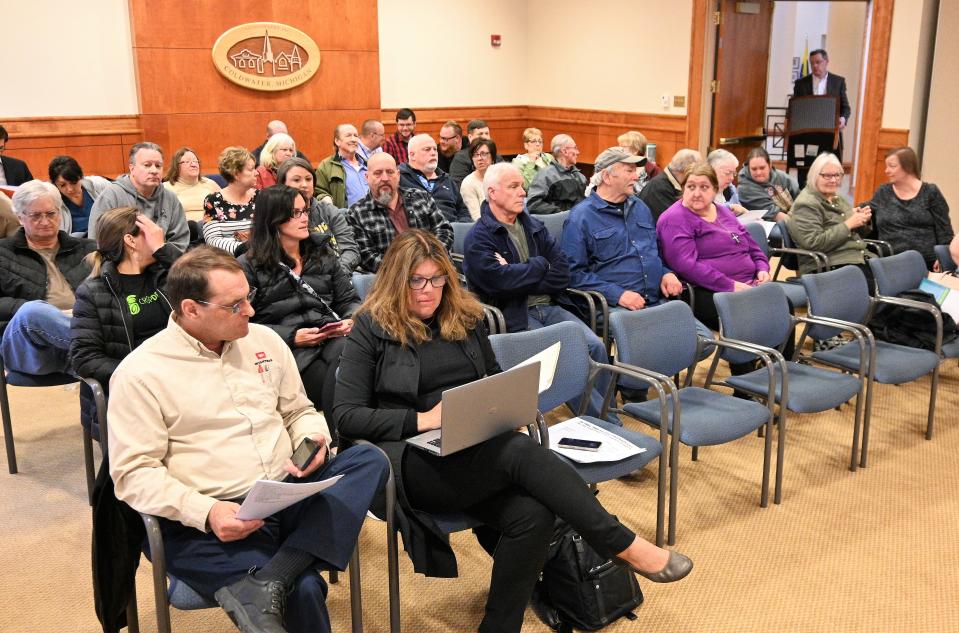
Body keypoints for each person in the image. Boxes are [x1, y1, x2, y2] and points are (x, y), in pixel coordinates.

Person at [332, 229, 692, 633]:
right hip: (412, 461)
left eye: (436, 280)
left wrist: (507, 400)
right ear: (397, 281)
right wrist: (424, 420)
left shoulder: (464, 318)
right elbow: (346, 416)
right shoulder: (370, 328)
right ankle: (620, 543)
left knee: (532, 514)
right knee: (517, 451)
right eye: (416, 281)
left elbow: (491, 376)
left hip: (475, 448)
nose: (427, 291)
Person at [107, 246, 389, 633]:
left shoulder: (264, 341)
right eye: (236, 305)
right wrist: (207, 511)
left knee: (369, 459)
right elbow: (133, 474)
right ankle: (284, 573)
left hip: (284, 491)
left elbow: (298, 411)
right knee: (302, 590)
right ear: (191, 309)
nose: (251, 311)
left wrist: (312, 439)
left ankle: (271, 577)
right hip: (210, 520)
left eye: (248, 299)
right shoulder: (141, 373)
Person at [463, 163, 612, 419]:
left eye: (522, 186)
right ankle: (603, 423)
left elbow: (562, 273)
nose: (522, 192)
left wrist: (520, 272)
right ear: (492, 193)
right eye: (513, 187)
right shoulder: (479, 238)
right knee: (566, 357)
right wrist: (540, 265)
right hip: (514, 313)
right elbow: (500, 284)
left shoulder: (534, 226)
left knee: (596, 347)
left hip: (551, 306)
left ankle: (601, 415)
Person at [239, 185, 360, 414]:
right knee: (341, 374)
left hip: (332, 336)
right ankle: (342, 433)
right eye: (295, 213)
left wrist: (349, 318)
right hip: (288, 351)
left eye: (305, 211)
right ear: (274, 218)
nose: (304, 218)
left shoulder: (321, 251)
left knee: (352, 358)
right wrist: (293, 337)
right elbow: (244, 323)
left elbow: (348, 299)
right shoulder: (249, 266)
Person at [69, 207, 178, 401]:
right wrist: (140, 375)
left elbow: (207, 283)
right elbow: (85, 358)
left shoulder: (165, 274)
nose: (159, 237)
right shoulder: (94, 292)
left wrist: (164, 251)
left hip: (178, 372)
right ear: (130, 240)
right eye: (152, 233)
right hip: (135, 387)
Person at [564, 148, 685, 312]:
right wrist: (618, 294)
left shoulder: (640, 207)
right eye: (629, 171)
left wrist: (666, 273)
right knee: (664, 336)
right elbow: (573, 274)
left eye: (635, 170)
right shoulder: (580, 217)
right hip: (615, 306)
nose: (636, 177)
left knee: (700, 335)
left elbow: (654, 253)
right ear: (607, 177)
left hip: (657, 300)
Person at [656, 163, 771, 331]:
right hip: (704, 290)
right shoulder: (674, 219)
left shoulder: (723, 212)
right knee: (755, 316)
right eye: (691, 187)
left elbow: (751, 245)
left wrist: (762, 268)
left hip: (747, 284)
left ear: (715, 190)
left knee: (783, 306)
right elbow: (687, 266)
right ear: (683, 188)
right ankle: (748, 356)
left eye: (704, 187)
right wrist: (731, 285)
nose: (696, 193)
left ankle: (780, 357)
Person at [0, 180, 96, 374]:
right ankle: (99, 349)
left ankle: (96, 356)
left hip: (77, 331)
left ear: (60, 214)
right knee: (32, 312)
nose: (45, 221)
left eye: (51, 213)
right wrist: (47, 312)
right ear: (19, 218)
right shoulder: (3, 253)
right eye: (35, 215)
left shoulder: (88, 249)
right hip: (29, 343)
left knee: (108, 374)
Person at [348, 152, 453, 272]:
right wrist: (406, 268)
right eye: (378, 173)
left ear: (398, 175)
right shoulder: (357, 214)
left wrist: (430, 259)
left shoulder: (422, 197)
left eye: (390, 172)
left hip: (435, 269)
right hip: (394, 282)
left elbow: (444, 230)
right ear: (366, 177)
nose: (385, 178)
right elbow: (367, 257)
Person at [89, 142, 190, 252]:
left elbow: (180, 242)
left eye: (158, 166)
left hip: (162, 263)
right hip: (122, 265)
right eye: (147, 165)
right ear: (132, 168)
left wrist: (161, 257)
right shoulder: (111, 196)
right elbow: (96, 244)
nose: (154, 171)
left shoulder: (170, 198)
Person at [786, 152, 872, 279]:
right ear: (815, 176)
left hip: (856, 258)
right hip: (828, 265)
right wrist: (848, 224)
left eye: (837, 175)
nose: (833, 180)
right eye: (827, 176)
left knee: (895, 274)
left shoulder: (838, 198)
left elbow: (860, 235)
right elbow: (813, 244)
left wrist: (862, 220)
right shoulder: (806, 204)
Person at [865, 146, 953, 270]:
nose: (886, 171)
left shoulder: (930, 192)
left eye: (892, 166)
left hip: (927, 263)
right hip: (891, 262)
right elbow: (864, 209)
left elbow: (945, 231)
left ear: (908, 167)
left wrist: (942, 257)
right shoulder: (883, 192)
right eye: (886, 166)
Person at [278, 157, 361, 272]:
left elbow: (350, 250)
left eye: (308, 179)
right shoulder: (277, 215)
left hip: (339, 272)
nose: (304, 185)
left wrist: (337, 273)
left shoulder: (329, 211)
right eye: (296, 180)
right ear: (282, 184)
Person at [793, 49, 851, 161]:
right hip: (807, 135)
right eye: (812, 63)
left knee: (829, 167)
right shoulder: (801, 84)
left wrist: (843, 119)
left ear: (826, 62)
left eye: (818, 62)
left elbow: (846, 107)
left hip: (830, 134)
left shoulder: (838, 82)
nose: (814, 66)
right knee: (806, 170)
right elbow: (795, 109)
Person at [399, 134, 470, 222]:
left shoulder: (447, 180)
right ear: (412, 155)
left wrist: (462, 226)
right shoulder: (399, 178)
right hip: (417, 231)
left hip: (452, 230)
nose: (433, 153)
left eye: (435, 149)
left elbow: (463, 211)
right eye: (427, 149)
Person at [201, 147, 257, 255]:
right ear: (236, 174)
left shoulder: (261, 197)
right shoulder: (214, 201)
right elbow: (213, 241)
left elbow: (271, 234)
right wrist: (245, 248)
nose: (257, 173)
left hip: (261, 259)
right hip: (227, 261)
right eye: (251, 169)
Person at [48, 155, 111, 236]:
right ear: (55, 185)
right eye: (62, 185)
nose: (70, 189)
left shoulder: (99, 185)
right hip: (77, 244)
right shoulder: (52, 201)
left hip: (105, 236)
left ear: (81, 177)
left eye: (73, 182)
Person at [527, 134, 586, 215]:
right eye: (575, 148)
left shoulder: (580, 176)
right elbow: (533, 204)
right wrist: (562, 214)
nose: (578, 152)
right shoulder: (546, 175)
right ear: (564, 151)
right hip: (560, 223)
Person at [736, 147, 798, 222]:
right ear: (748, 168)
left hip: (792, 215)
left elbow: (799, 197)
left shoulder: (781, 177)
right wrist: (799, 224)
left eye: (762, 168)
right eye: (754, 169)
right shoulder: (745, 188)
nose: (758, 172)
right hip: (767, 222)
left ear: (770, 165)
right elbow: (774, 214)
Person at [639, 148, 702, 221]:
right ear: (687, 170)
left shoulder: (670, 183)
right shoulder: (660, 188)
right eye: (698, 171)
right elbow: (678, 221)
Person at [314, 124, 368, 209]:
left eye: (356, 136)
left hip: (374, 217)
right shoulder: (326, 166)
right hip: (346, 219)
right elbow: (318, 192)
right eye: (348, 135)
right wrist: (325, 199)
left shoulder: (368, 164)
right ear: (337, 141)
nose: (353, 139)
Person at [162, 147, 221, 222]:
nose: (193, 164)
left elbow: (226, 207)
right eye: (187, 162)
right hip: (183, 230)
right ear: (177, 166)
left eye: (195, 161)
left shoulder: (210, 184)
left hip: (210, 228)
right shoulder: (166, 188)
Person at [449, 119, 503, 189]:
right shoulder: (460, 158)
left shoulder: (496, 156)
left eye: (487, 133)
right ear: (470, 137)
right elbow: (458, 186)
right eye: (480, 134)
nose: (485, 137)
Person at [459, 139, 498, 221]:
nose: (479, 158)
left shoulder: (502, 177)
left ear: (492, 156)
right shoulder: (468, 183)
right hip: (485, 227)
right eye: (475, 155)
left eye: (484, 154)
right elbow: (476, 217)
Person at [706, 149, 748, 216]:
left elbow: (741, 213)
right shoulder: (702, 191)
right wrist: (729, 207)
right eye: (727, 173)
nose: (732, 178)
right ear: (711, 171)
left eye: (733, 173)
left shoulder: (730, 189)